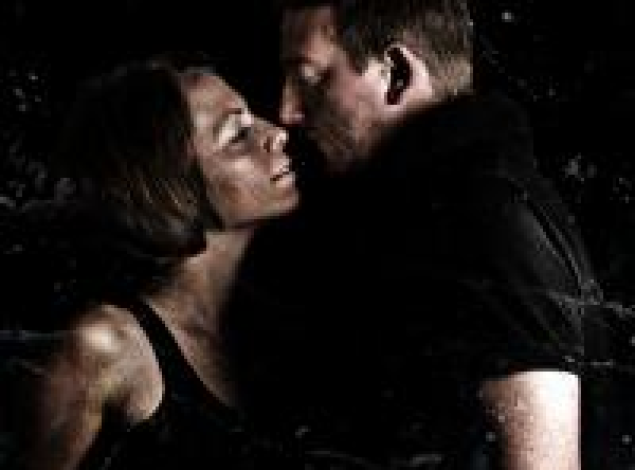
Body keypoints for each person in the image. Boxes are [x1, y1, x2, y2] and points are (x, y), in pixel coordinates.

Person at [229, 0, 602, 469]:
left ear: (397, 74)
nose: (288, 111)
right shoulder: (438, 210)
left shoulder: (482, 217)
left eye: (309, 79)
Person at [2, 56, 305, 470]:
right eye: (238, 135)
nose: (277, 133)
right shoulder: (107, 346)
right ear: (172, 186)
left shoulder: (281, 328)